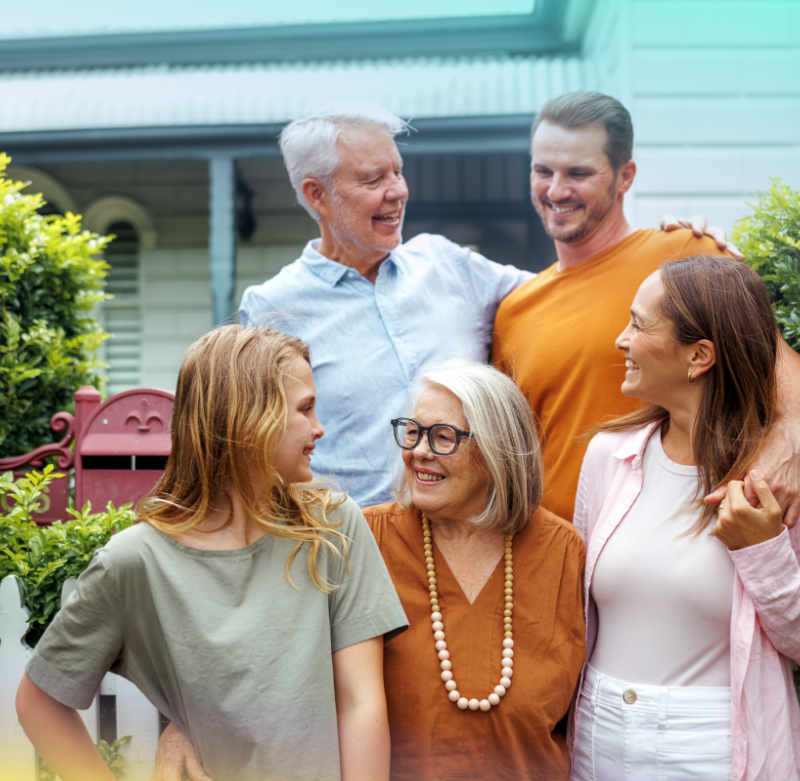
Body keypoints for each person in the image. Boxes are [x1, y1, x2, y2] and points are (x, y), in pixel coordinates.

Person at [240, 99, 726, 508]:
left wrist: (681, 246)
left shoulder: (449, 265)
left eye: (398, 171)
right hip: (349, 552)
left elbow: (572, 289)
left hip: (471, 548)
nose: (399, 191)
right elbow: (257, 455)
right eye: (373, 180)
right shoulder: (270, 309)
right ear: (317, 195)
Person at [151, 359, 587, 781]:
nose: (418, 452)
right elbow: (255, 650)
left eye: (443, 437)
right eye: (413, 433)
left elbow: (592, 702)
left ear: (497, 448)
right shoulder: (359, 539)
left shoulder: (563, 552)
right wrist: (186, 725)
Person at [16, 325, 408, 781]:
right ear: (248, 419)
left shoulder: (334, 527)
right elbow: (39, 701)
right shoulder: (134, 561)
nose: (319, 428)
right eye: (305, 409)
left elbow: (361, 704)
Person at [492, 91, 800, 524]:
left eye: (578, 173)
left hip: (675, 544)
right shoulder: (513, 310)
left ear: (625, 176)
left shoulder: (685, 252)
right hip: (555, 557)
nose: (556, 190)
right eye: (543, 171)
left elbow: (773, 361)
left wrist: (790, 441)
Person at [571, 256, 800, 781]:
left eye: (638, 324)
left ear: (699, 356)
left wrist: (760, 551)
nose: (620, 340)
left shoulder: (780, 479)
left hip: (716, 746)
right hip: (597, 733)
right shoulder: (608, 458)